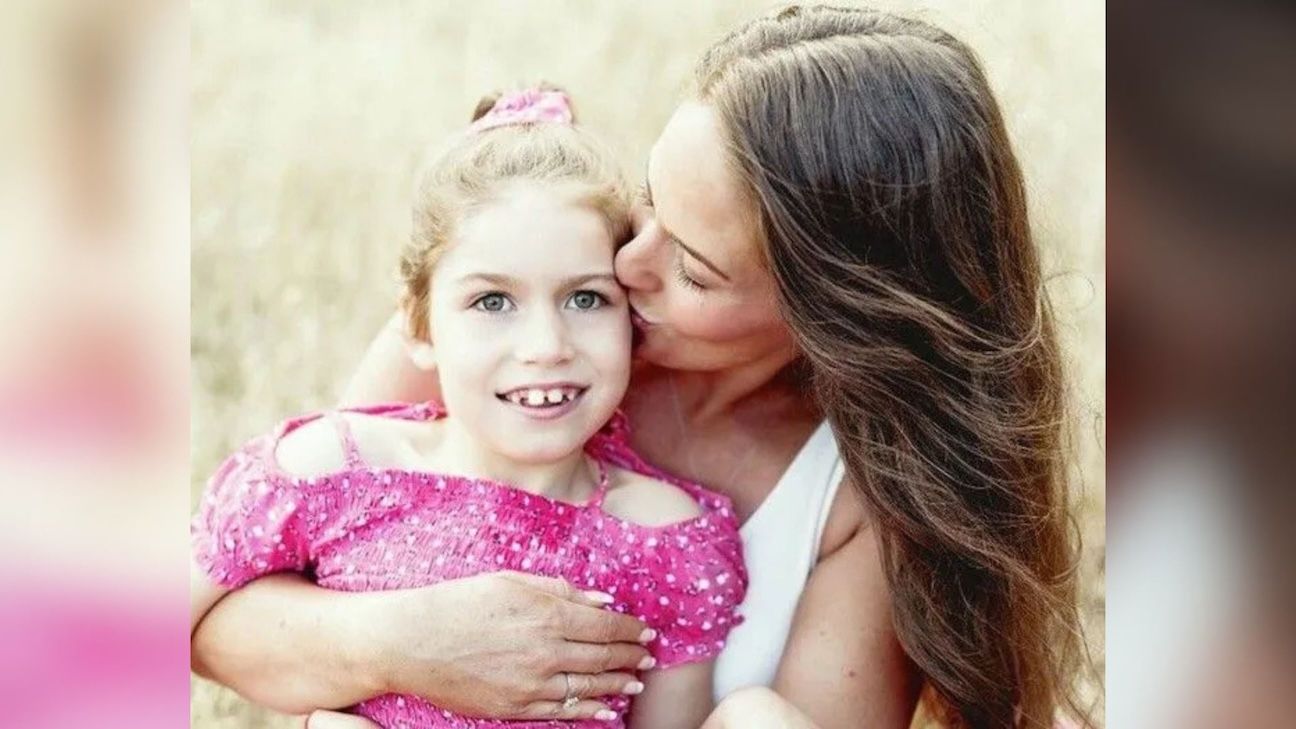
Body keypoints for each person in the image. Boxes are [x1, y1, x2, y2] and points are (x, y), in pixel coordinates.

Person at [193, 6, 1085, 728]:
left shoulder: (863, 502)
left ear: (832, 314)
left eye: (693, 267)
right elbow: (225, 622)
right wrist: (405, 643)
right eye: (648, 204)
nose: (625, 267)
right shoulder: (522, 319)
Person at [190, 87, 749, 729]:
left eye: (587, 299)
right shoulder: (330, 470)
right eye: (492, 302)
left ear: (632, 317)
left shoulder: (664, 538)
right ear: (420, 327)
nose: (545, 347)